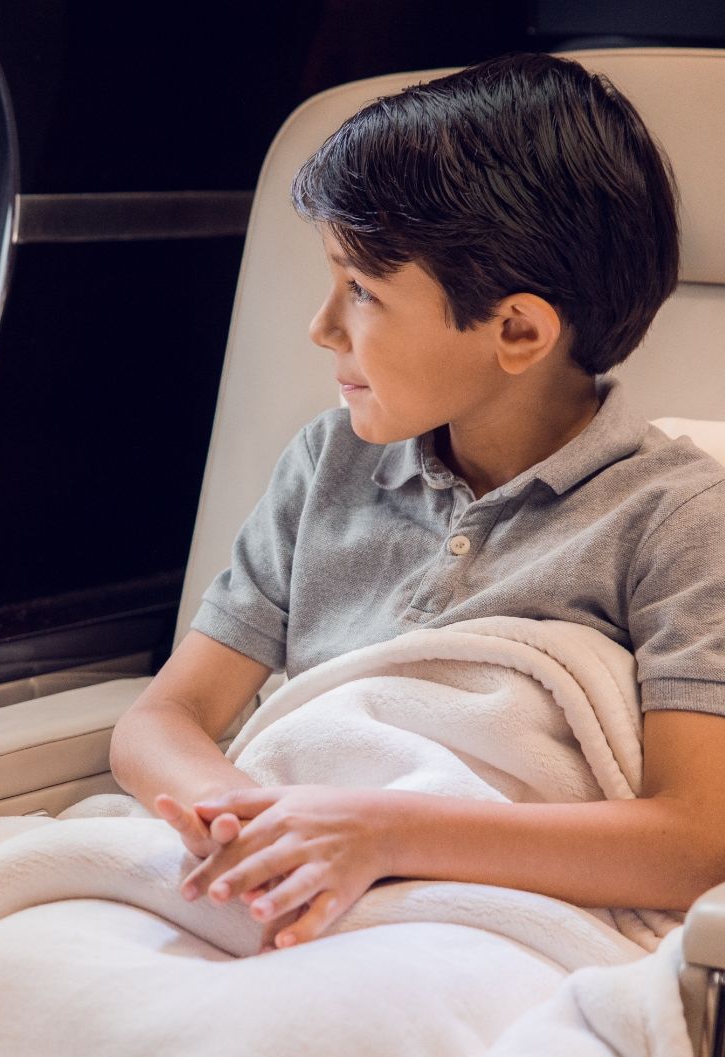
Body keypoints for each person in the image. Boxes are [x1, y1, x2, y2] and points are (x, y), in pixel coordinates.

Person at [109, 51, 725, 953]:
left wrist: (384, 832)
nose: (320, 327)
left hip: (474, 923)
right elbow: (162, 719)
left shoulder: (677, 520)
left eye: (361, 291)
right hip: (277, 885)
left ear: (517, 331)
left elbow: (698, 838)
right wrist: (250, 827)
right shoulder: (328, 465)